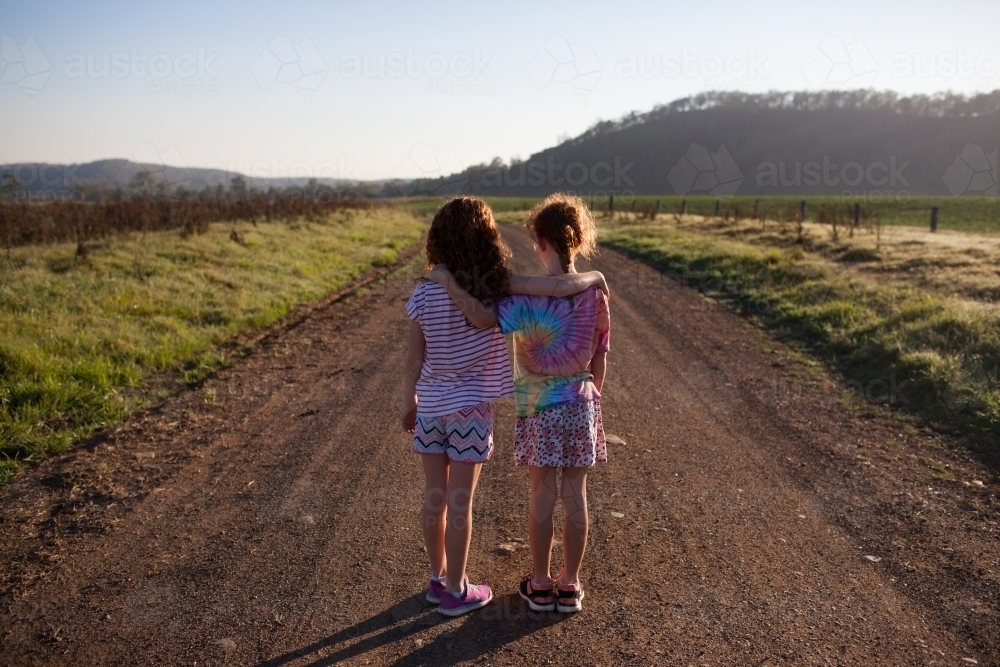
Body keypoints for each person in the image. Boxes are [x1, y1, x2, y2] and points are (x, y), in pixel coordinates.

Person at [402, 196, 607, 617]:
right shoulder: (578, 294)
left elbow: (422, 352)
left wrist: (411, 398)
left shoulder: (448, 294)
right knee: (561, 496)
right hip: (525, 407)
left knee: (452, 496)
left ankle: (460, 580)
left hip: (479, 408)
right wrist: (596, 275)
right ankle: (547, 585)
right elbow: (570, 311)